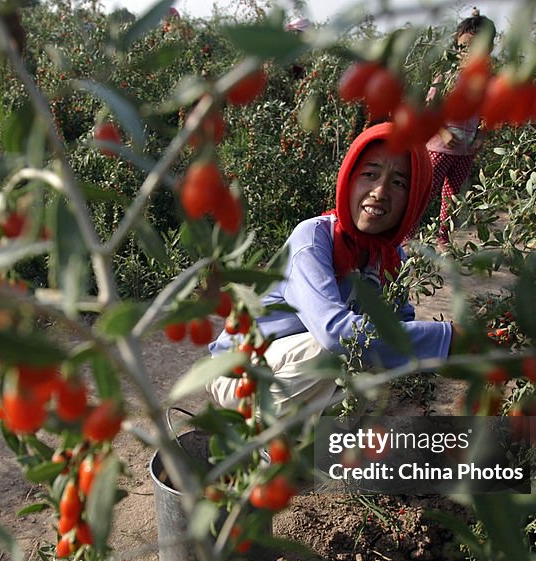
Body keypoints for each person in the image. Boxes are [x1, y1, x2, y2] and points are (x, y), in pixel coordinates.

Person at [207, 122, 460, 415]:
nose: (380, 191)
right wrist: (447, 339)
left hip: (290, 372)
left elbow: (399, 321)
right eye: (370, 174)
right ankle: (264, 435)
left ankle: (303, 437)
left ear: (413, 198)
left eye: (399, 182)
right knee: (339, 348)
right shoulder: (313, 239)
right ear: (349, 179)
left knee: (367, 367)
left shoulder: (391, 259)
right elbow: (333, 332)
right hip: (239, 372)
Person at [425, 9, 496, 246]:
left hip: (466, 150)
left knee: (452, 197)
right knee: (424, 193)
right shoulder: (446, 74)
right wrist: (443, 132)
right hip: (439, 147)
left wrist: (480, 138)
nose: (468, 52)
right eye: (463, 46)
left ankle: (442, 239)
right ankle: (404, 237)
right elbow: (431, 105)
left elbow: (490, 114)